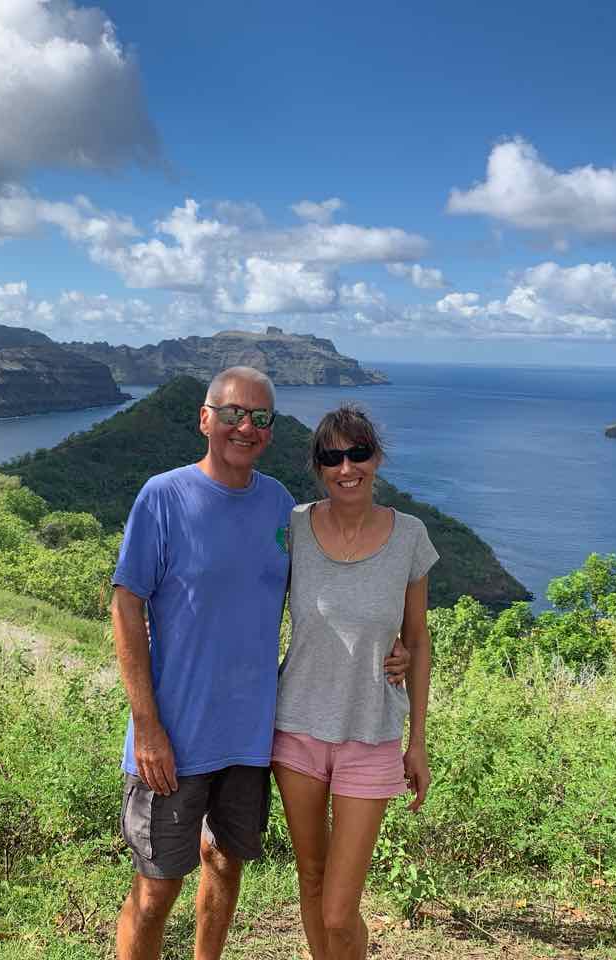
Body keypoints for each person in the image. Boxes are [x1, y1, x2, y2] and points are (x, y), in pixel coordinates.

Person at [111, 369, 408, 960]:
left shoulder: (279, 506)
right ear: (205, 418)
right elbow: (125, 605)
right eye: (232, 414)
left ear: (271, 430)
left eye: (260, 418)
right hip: (174, 735)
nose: (244, 427)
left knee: (225, 866)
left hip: (251, 738)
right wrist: (146, 725)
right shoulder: (163, 496)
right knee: (156, 888)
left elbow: (332, 584)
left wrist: (391, 644)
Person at [271, 404, 437, 960]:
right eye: (332, 456)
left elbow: (419, 638)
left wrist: (417, 740)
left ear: (377, 457)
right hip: (295, 729)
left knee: (341, 909)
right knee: (311, 878)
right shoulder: (292, 526)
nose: (347, 467)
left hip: (371, 731)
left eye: (358, 453)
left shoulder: (409, 536)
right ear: (318, 466)